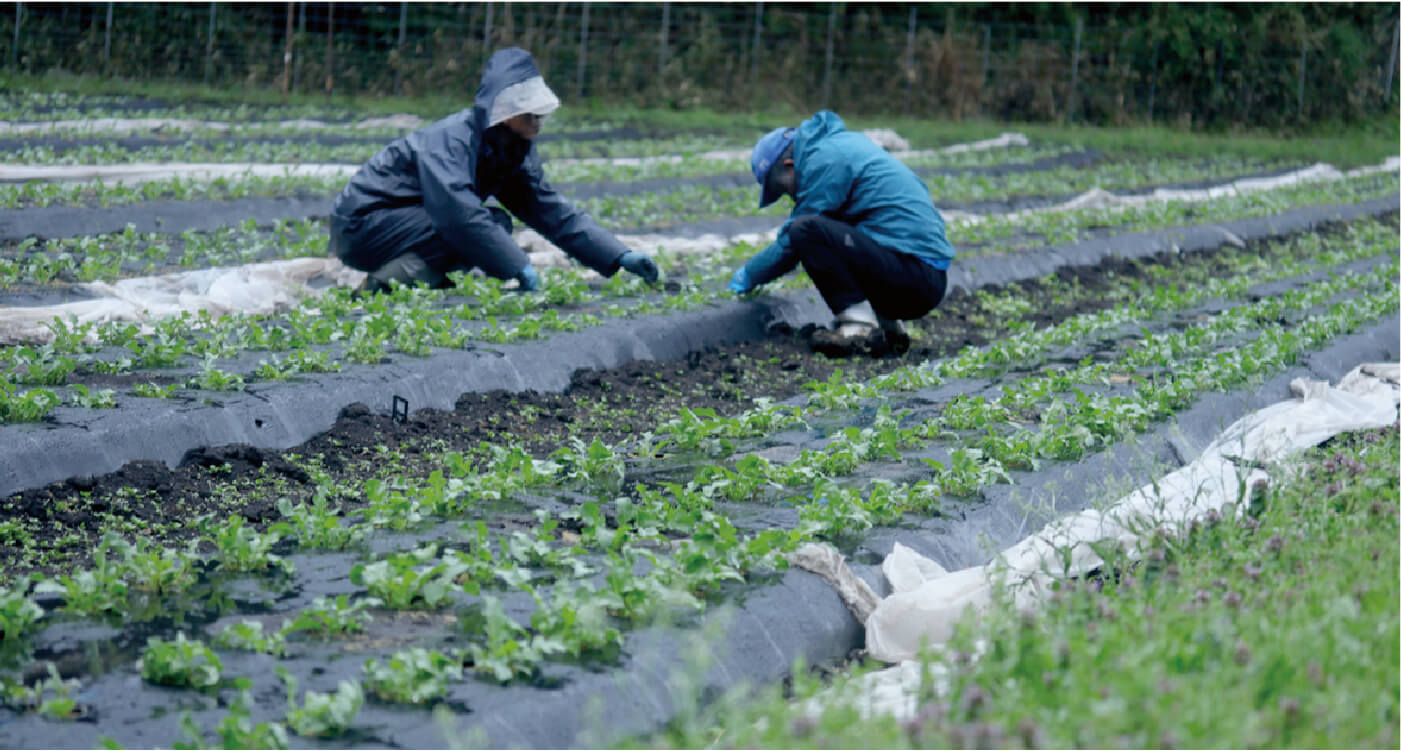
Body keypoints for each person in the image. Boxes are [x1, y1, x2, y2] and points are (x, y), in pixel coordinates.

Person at [328, 47, 659, 294]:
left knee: (496, 223)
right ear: (502, 112)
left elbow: (550, 210)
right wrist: (519, 266)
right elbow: (457, 214)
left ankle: (414, 278)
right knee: (476, 225)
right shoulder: (452, 140)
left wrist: (618, 255)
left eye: (540, 115)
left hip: (403, 223)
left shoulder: (510, 149)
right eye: (529, 114)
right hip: (364, 225)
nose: (537, 123)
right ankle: (382, 286)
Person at [728, 110, 954, 356]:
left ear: (790, 166)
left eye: (783, 190)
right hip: (924, 275)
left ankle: (858, 325)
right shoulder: (840, 145)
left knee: (806, 229)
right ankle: (888, 329)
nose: (790, 197)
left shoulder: (824, 160)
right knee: (842, 235)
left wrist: (750, 274)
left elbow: (793, 242)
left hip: (914, 276)